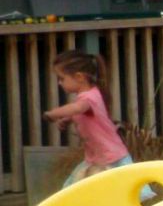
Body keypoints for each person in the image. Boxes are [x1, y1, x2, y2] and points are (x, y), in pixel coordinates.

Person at [43, 50, 142, 197]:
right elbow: (82, 113)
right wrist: (68, 119)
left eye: (62, 78)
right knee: (78, 191)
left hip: (110, 158)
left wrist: (53, 113)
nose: (59, 83)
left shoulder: (89, 97)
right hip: (97, 158)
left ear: (79, 77)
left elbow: (78, 108)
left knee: (113, 194)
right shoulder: (88, 96)